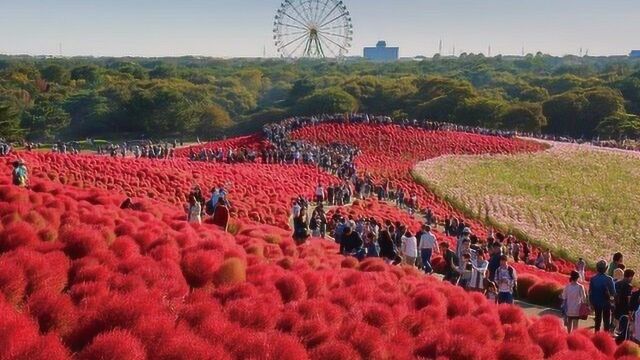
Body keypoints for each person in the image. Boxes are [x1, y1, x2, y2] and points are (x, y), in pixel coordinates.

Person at [589, 260, 616, 332]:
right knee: (606, 321)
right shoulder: (609, 279)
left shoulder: (593, 279)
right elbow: (613, 292)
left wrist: (591, 303)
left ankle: (596, 335)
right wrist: (613, 301)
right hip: (606, 303)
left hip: (596, 302)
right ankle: (605, 338)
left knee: (597, 320)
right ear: (606, 268)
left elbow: (590, 292)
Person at [614, 269, 635, 334]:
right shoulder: (629, 286)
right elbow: (629, 299)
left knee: (616, 322)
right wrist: (630, 309)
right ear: (630, 277)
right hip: (624, 307)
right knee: (623, 326)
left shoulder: (617, 283)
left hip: (617, 305)